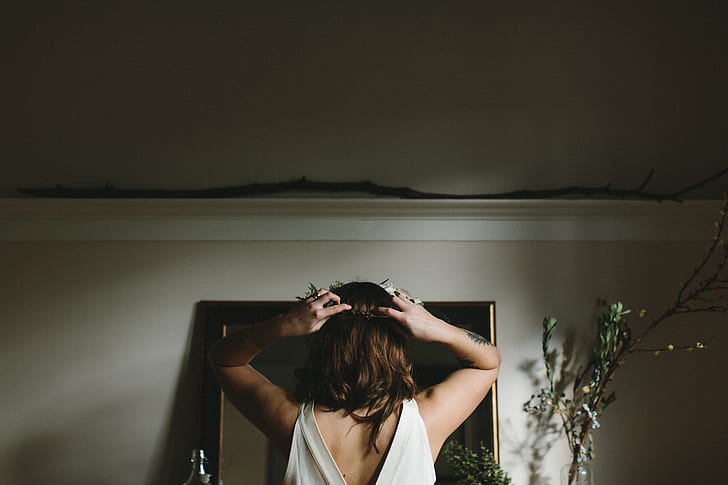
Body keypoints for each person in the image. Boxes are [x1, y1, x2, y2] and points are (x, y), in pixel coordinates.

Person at [209, 281, 501, 485]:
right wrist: (436, 327)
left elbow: (224, 359)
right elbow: (489, 361)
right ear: (396, 347)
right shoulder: (427, 418)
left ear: (325, 346)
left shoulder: (289, 419)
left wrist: (284, 324)